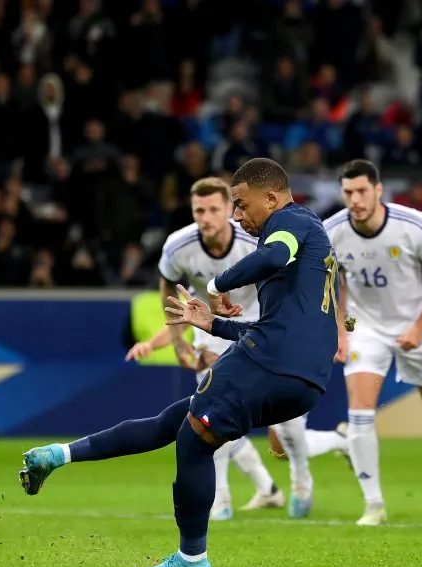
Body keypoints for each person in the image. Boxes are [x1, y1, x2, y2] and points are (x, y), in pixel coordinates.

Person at [19, 158, 345, 567]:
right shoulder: (309, 233)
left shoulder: (289, 222)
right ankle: (57, 456)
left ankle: (191, 561)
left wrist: (213, 287)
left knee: (192, 442)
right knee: (175, 421)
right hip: (307, 377)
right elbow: (285, 322)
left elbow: (273, 256)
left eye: (242, 205)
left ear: (271, 197)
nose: (238, 216)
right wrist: (213, 324)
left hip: (273, 361)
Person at [125, 176, 346, 520]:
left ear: (229, 209)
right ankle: (223, 499)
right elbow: (171, 291)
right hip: (216, 332)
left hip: (271, 334)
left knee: (283, 438)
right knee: (208, 418)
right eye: (199, 210)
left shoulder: (258, 236)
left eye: (216, 209)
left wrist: (217, 284)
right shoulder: (178, 246)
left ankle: (300, 477)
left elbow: (292, 267)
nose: (206, 217)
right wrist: (179, 341)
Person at [325, 159, 422, 526]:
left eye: (362, 191)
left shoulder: (414, 225)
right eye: (348, 193)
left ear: (378, 191)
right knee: (359, 413)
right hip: (365, 325)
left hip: (416, 324)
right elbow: (336, 282)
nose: (355, 200)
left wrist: (421, 326)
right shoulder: (333, 230)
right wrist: (344, 330)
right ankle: (373, 505)